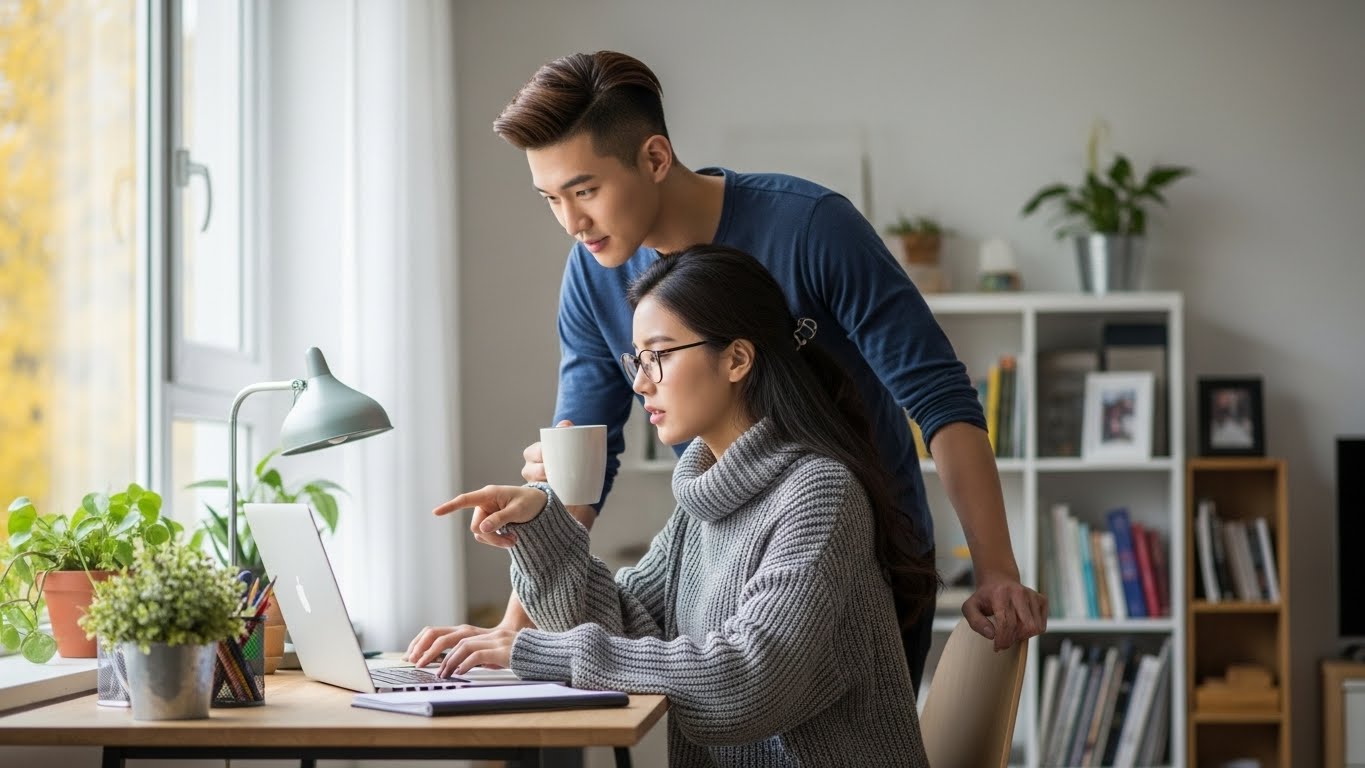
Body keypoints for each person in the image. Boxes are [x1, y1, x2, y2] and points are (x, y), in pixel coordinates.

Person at [407, 50, 1045, 687]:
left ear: (655, 158)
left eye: (586, 191)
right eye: (551, 198)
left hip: (862, 554)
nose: (573, 223)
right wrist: (519, 622)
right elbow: (580, 455)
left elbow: (935, 392)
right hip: (718, 566)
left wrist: (995, 568)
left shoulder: (811, 228)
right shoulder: (592, 274)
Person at [420, 246, 933, 766]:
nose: (641, 382)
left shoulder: (818, 494)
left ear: (736, 358)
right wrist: (541, 529)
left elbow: (746, 682)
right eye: (637, 360)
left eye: (659, 356)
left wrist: (530, 650)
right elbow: (625, 623)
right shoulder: (702, 501)